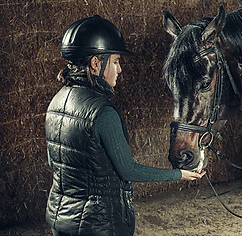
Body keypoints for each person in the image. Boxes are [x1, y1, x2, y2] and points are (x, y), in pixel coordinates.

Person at [45, 15, 205, 236]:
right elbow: (128, 170)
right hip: (99, 226)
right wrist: (179, 174)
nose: (119, 69)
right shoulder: (103, 113)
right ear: (95, 63)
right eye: (116, 61)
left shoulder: (56, 102)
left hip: (60, 220)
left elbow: (54, 161)